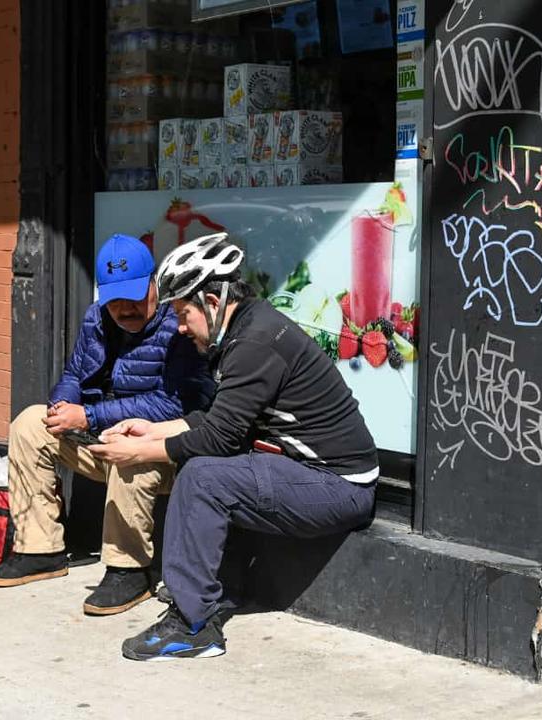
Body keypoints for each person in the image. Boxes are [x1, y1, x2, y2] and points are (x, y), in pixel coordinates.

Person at [89, 233, 378, 660]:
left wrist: (137, 454)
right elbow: (223, 420)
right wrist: (149, 431)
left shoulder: (255, 343)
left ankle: (193, 624)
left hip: (338, 485)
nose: (181, 327)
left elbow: (219, 438)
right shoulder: (247, 330)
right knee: (212, 466)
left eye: (184, 313)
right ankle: (217, 592)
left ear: (212, 300)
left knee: (204, 476)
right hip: (307, 472)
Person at [0, 233, 215, 616]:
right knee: (29, 423)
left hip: (164, 449)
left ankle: (129, 570)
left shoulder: (178, 327)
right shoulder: (96, 317)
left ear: (154, 283)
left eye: (135, 296)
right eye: (115, 300)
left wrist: (90, 415)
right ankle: (39, 550)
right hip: (100, 434)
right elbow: (75, 372)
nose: (125, 308)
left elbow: (172, 404)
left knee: (131, 448)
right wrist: (63, 403)